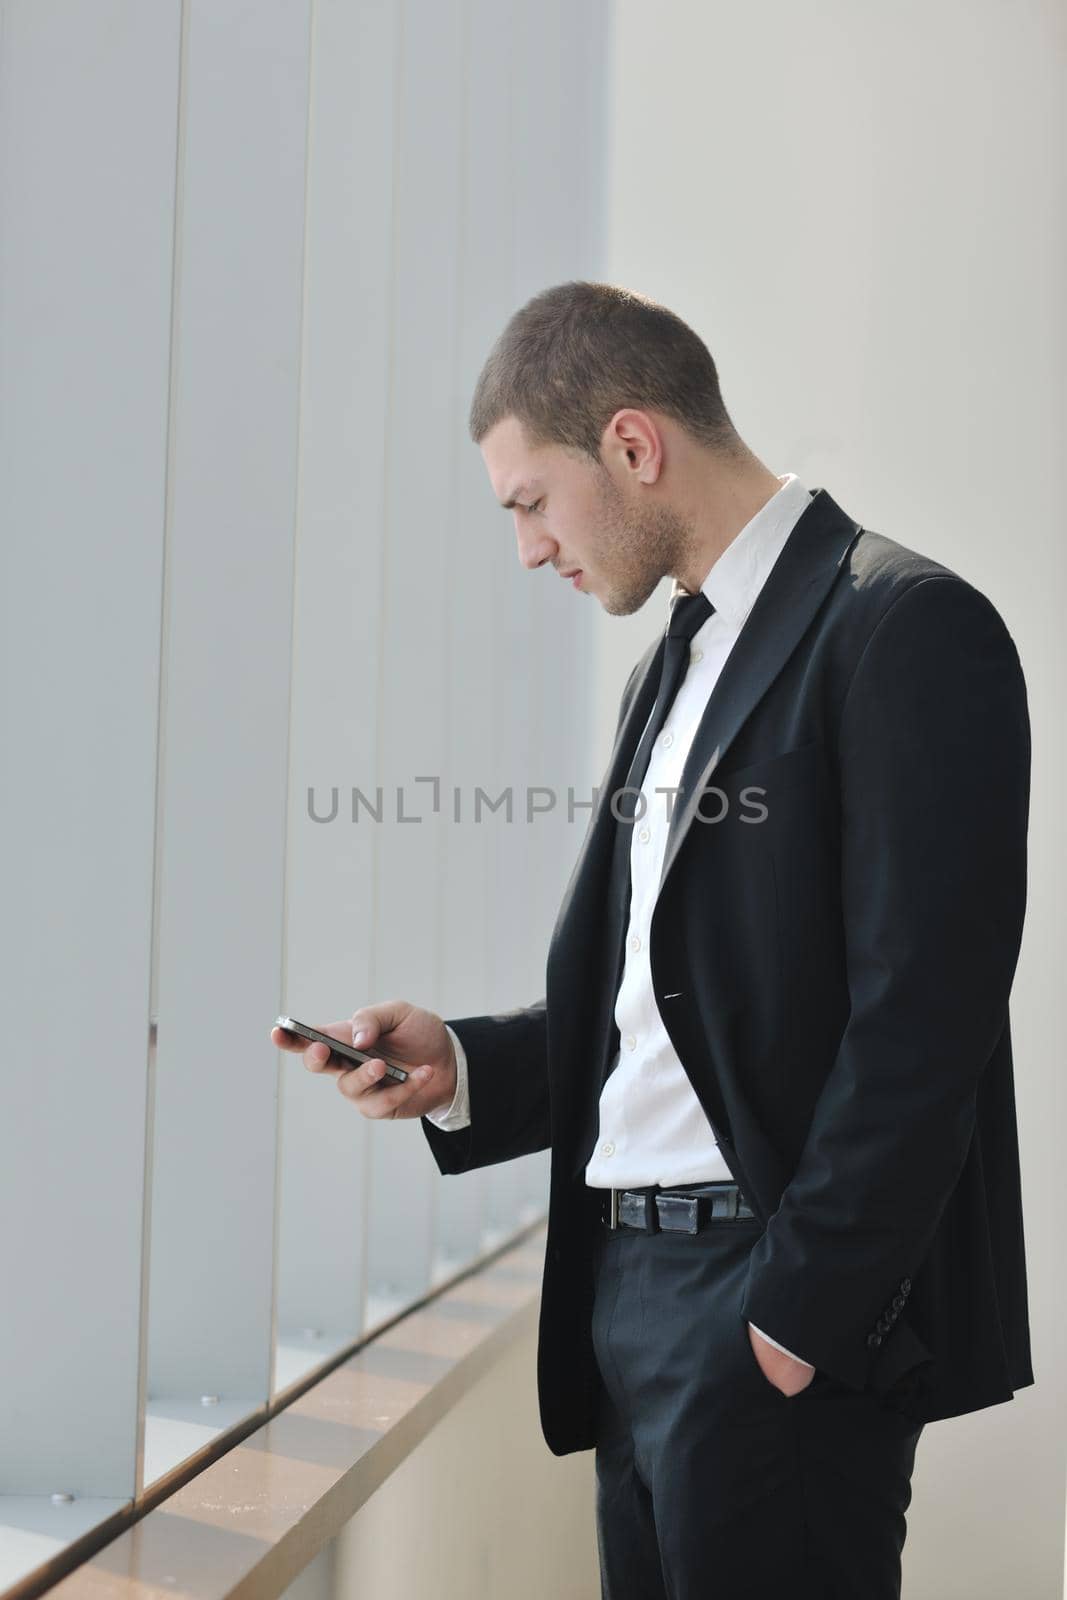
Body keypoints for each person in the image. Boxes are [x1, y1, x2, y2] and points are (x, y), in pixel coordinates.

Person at [270, 282, 1034, 1598]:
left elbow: (924, 1023)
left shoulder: (904, 629)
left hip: (767, 1304)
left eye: (528, 502)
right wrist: (464, 1063)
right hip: (630, 1300)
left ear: (631, 446)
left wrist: (798, 1320)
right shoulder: (668, 668)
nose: (526, 549)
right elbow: (670, 1003)